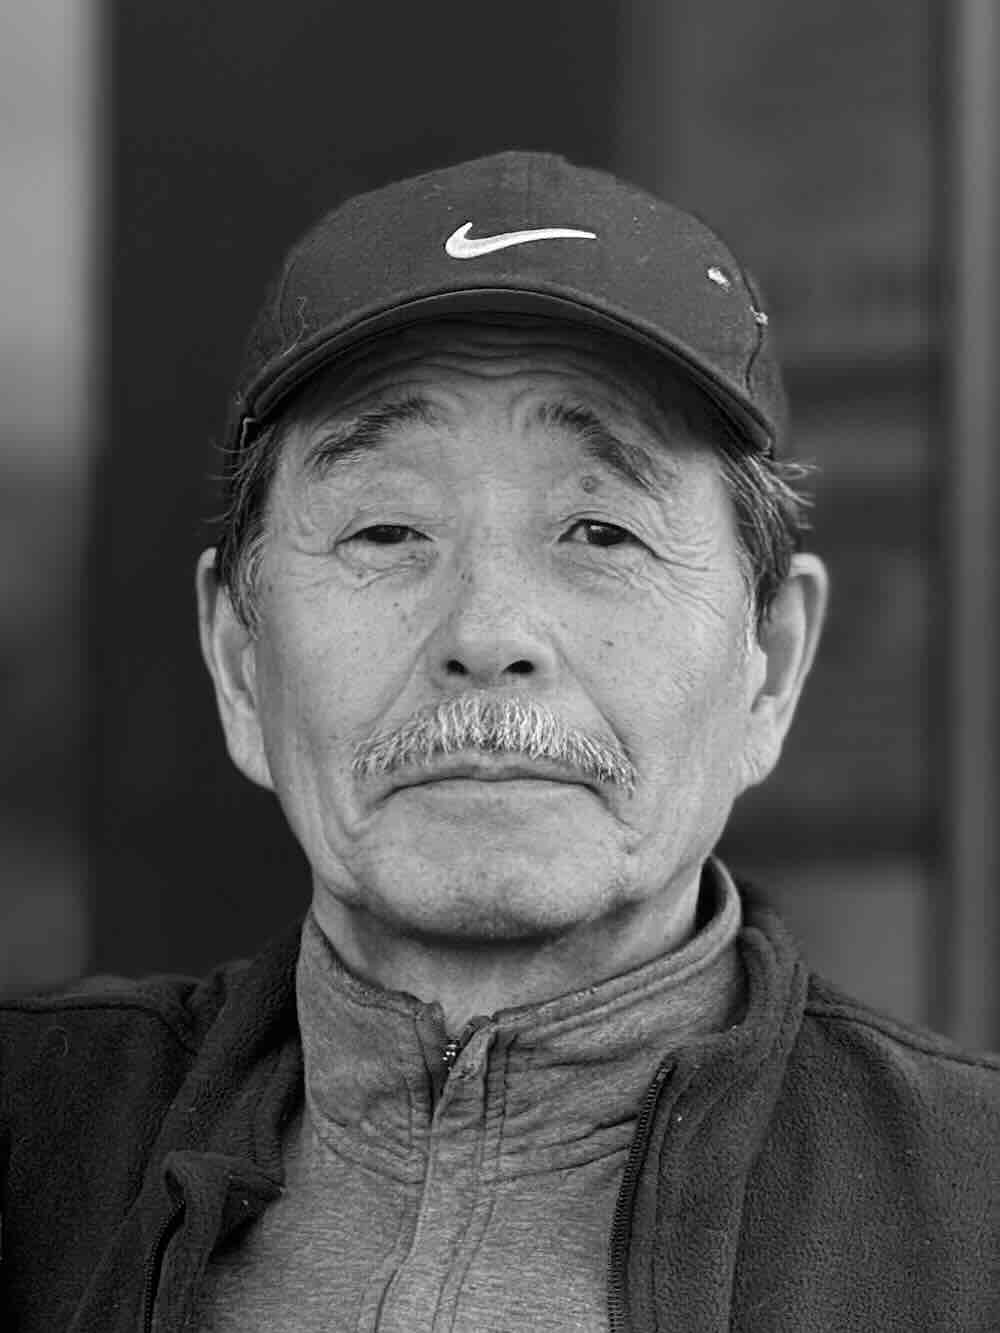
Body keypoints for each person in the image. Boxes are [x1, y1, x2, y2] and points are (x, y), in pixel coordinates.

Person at [1, 151, 997, 1332]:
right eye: (385, 529)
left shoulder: (972, 1211)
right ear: (237, 659)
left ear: (769, 665)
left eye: (600, 531)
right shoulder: (35, 1147)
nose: (485, 634)